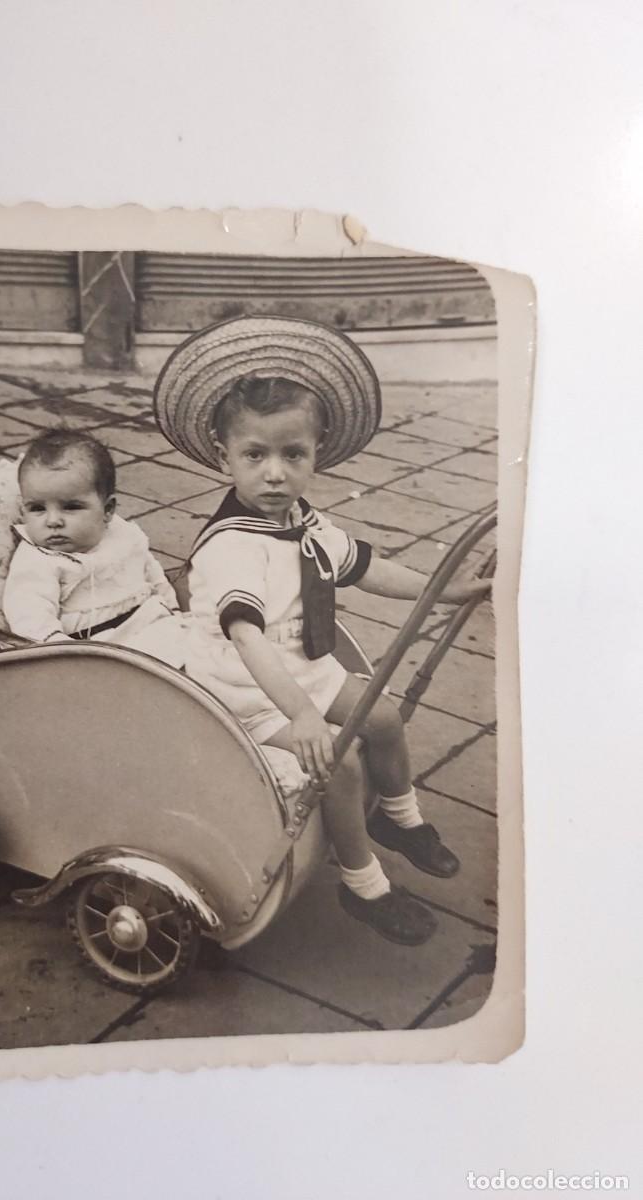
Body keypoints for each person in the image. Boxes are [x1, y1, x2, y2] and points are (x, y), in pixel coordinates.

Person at [153, 317, 491, 946]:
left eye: (293, 455)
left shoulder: (303, 519)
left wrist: (445, 586)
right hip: (245, 695)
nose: (275, 474)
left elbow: (364, 567)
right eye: (255, 456)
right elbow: (248, 640)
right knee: (336, 764)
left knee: (383, 718)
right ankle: (362, 884)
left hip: (305, 669)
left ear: (317, 455)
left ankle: (400, 818)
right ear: (224, 456)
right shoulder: (232, 547)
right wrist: (305, 715)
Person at [2, 429, 185, 667]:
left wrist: (172, 605)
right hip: (98, 647)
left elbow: (149, 568)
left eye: (71, 507)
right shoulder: (38, 560)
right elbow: (30, 618)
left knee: (209, 654)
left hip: (152, 620)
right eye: (37, 508)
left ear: (107, 510)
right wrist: (63, 652)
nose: (53, 521)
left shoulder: (122, 533)